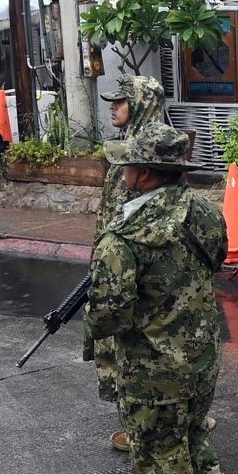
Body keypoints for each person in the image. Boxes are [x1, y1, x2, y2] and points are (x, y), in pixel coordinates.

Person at [84, 122, 238, 474]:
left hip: (153, 363)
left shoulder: (125, 233)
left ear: (147, 174)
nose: (124, 172)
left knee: (157, 447)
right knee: (190, 428)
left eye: (129, 164)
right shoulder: (206, 212)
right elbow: (220, 258)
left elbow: (110, 312)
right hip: (203, 350)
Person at [92, 74, 168, 452]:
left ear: (139, 104)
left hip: (131, 266)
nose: (112, 106)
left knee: (131, 346)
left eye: (121, 101)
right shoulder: (149, 146)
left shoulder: (140, 155)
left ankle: (142, 429)